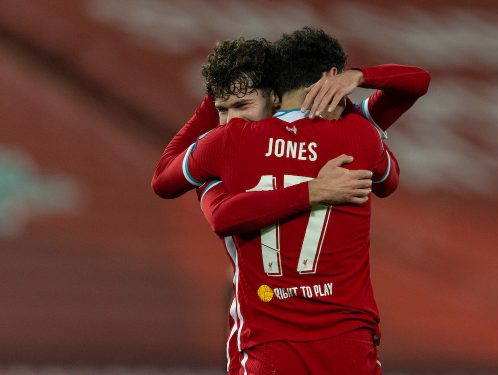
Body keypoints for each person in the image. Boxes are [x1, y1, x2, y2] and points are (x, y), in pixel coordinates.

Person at [152, 28, 429, 374]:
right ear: (331, 77)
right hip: (348, 342)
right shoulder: (360, 133)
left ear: (275, 94)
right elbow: (391, 176)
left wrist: (212, 100)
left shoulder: (225, 145)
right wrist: (359, 79)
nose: (231, 118)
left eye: (240, 104)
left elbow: (177, 188)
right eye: (223, 108)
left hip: (269, 345)